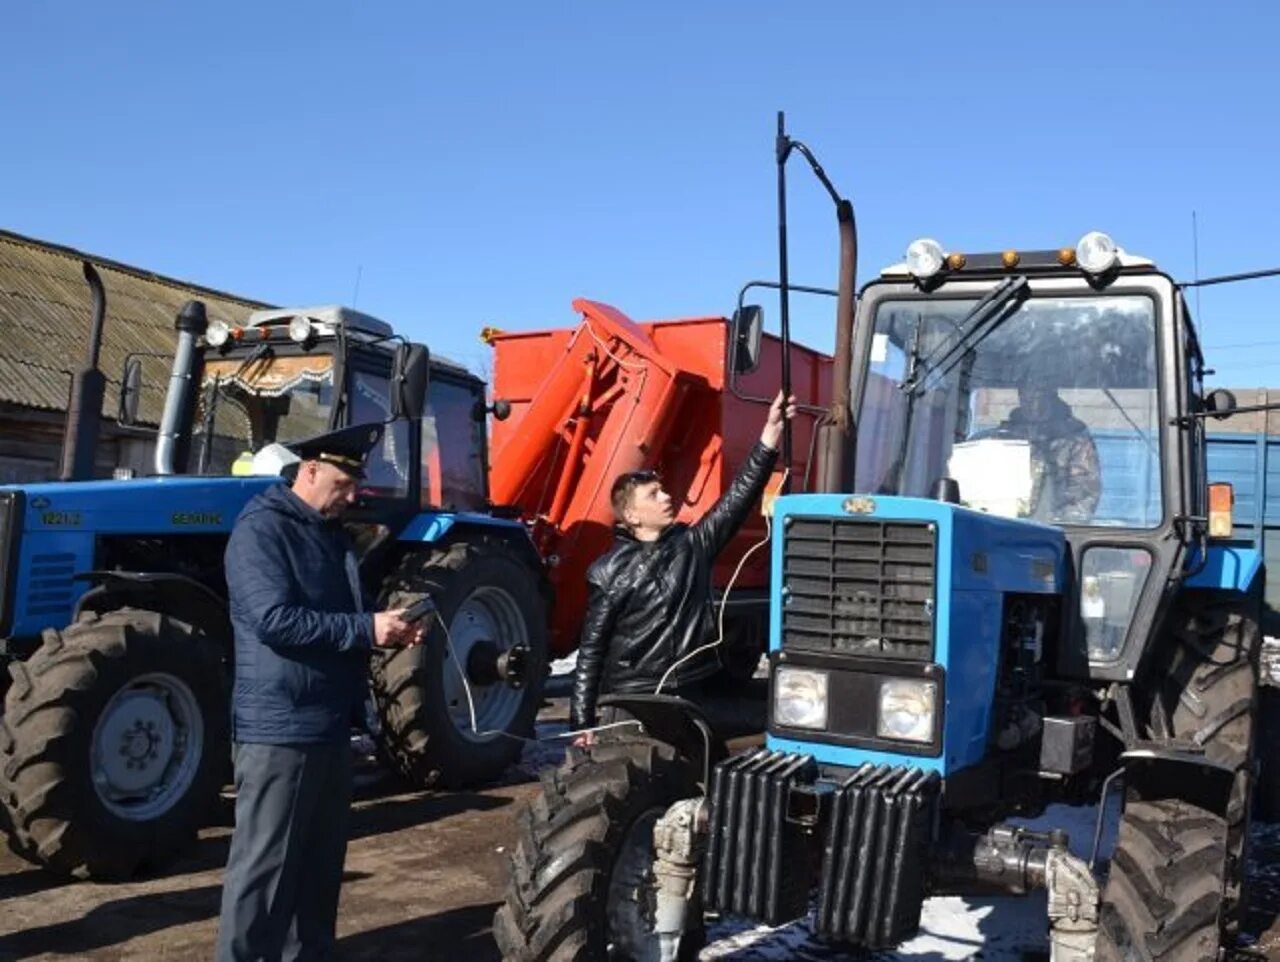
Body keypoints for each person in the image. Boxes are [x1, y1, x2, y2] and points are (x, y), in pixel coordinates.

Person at [215, 422, 425, 962]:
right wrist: (364, 629)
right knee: (264, 872)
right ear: (309, 472)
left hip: (329, 723)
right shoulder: (262, 532)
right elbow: (274, 621)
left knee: (317, 868)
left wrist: (388, 627)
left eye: (355, 482)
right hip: (280, 728)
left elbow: (338, 617)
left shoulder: (327, 534)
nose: (353, 494)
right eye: (343, 482)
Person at [570, 391, 796, 738]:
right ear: (631, 515)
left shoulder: (692, 546)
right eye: (653, 495)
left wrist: (770, 434)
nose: (666, 497)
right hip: (636, 700)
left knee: (781, 718)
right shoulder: (607, 571)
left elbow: (738, 497)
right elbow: (590, 652)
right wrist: (581, 725)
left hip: (692, 692)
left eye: (662, 490)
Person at [997, 384, 1101, 523]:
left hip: (1055, 531)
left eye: (1039, 398)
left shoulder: (1074, 438)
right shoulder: (1004, 436)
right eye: (1027, 399)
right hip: (1004, 526)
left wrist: (1057, 523)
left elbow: (1084, 496)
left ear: (1051, 397)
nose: (1034, 406)